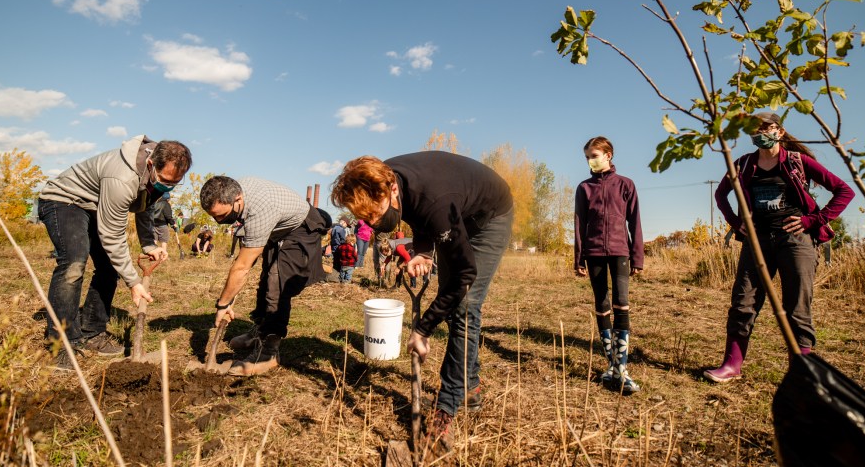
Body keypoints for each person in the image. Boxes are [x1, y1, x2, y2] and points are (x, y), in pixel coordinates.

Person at [331, 152, 513, 452]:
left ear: (391, 190)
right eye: (366, 218)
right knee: (454, 304)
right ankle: (470, 387)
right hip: (454, 208)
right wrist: (425, 250)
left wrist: (423, 328)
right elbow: (417, 211)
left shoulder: (436, 199)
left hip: (490, 215)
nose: (374, 223)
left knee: (464, 305)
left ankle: (446, 408)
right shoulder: (381, 179)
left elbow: (464, 274)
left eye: (376, 214)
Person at [704, 112, 855, 383]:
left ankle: (802, 373)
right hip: (757, 242)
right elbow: (720, 193)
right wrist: (735, 222)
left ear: (779, 132)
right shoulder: (744, 164)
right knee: (743, 302)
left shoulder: (798, 162)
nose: (760, 132)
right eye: (755, 129)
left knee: (797, 306)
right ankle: (731, 365)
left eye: (766, 127)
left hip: (796, 243)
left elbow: (844, 191)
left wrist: (814, 220)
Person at [37, 136, 192, 370]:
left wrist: (149, 244)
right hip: (65, 201)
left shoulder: (157, 176)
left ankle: (92, 332)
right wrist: (134, 281)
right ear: (151, 165)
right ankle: (60, 344)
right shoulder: (122, 177)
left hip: (94, 205)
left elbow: (144, 207)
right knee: (74, 264)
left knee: (109, 268)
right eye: (165, 180)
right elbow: (112, 235)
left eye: (175, 183)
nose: (167, 187)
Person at [201, 175, 331, 376]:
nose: (218, 221)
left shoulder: (261, 209)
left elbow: (242, 267)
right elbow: (246, 262)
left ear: (238, 199)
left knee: (277, 282)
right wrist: (231, 297)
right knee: (265, 279)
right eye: (214, 216)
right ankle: (260, 331)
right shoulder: (235, 191)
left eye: (222, 215)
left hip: (301, 229)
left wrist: (223, 304)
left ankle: (269, 353)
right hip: (278, 229)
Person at [574, 136, 644, 395]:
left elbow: (634, 222)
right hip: (593, 254)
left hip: (620, 252)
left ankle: (621, 370)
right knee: (601, 305)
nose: (590, 160)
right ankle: (613, 367)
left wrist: (637, 256)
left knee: (621, 304)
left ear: (608, 155)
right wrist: (578, 258)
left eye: (594, 155)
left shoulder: (626, 185)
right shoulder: (584, 188)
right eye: (587, 157)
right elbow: (579, 225)